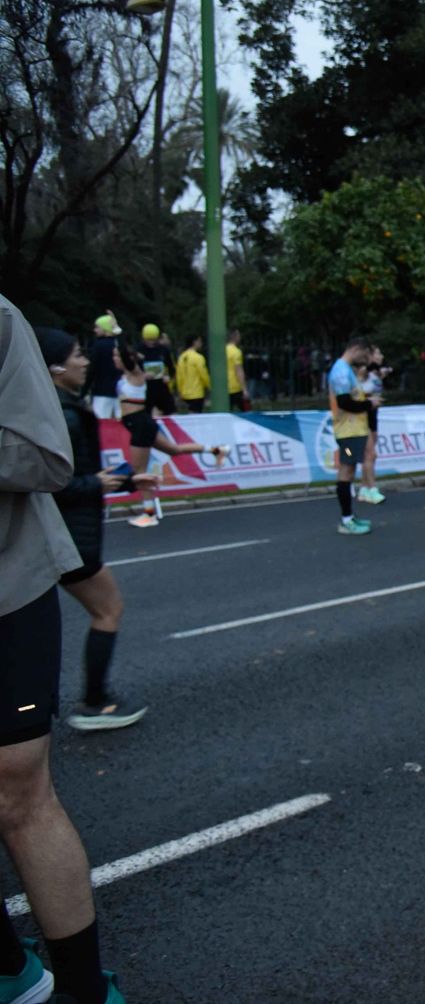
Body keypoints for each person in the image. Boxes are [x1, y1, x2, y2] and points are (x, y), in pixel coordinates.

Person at [1, 304, 129, 1004]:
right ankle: (10, 966)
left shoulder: (1, 324)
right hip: (76, 545)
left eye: (87, 351)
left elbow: (48, 462)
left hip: (15, 582)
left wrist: (102, 487)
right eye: (78, 352)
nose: (85, 359)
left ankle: (83, 989)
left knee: (17, 790)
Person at [36, 328, 155, 734]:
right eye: (77, 355)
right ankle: (94, 702)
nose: (86, 362)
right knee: (108, 609)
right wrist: (97, 484)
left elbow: (78, 474)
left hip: (66, 534)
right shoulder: (64, 415)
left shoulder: (57, 407)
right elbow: (50, 482)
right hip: (70, 537)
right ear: (55, 367)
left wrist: (127, 481)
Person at [116, 342, 223, 528]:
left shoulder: (136, 374)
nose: (114, 359)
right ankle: (216, 450)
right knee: (174, 450)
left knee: (140, 473)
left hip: (140, 425)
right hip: (140, 424)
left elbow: (126, 355)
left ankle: (149, 514)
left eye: (116, 356)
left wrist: (116, 335)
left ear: (127, 358)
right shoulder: (125, 376)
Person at [328, 336, 374, 535]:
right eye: (364, 355)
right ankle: (346, 520)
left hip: (353, 430)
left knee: (349, 470)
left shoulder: (346, 370)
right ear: (356, 349)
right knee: (346, 471)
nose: (364, 361)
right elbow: (345, 402)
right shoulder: (341, 371)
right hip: (347, 432)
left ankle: (349, 516)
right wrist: (369, 404)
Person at [357, 345, 388, 506]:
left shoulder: (376, 373)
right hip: (362, 416)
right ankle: (373, 489)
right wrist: (369, 399)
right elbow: (355, 393)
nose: (381, 356)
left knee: (369, 456)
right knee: (370, 454)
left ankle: (364, 488)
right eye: (378, 353)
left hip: (373, 415)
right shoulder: (360, 372)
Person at [134, 324, 177, 417]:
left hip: (161, 385)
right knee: (145, 413)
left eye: (153, 340)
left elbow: (172, 369)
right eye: (148, 340)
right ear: (143, 338)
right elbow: (131, 370)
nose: (151, 342)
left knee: (171, 411)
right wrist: (142, 375)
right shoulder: (138, 350)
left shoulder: (163, 350)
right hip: (145, 388)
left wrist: (168, 376)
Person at [87, 314, 122, 421]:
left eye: (97, 327)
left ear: (105, 328)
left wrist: (85, 390)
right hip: (121, 392)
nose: (95, 330)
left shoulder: (98, 345)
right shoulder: (119, 344)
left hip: (101, 391)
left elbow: (92, 369)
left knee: (100, 422)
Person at [175, 334, 209, 413]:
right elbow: (203, 374)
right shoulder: (198, 357)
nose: (201, 343)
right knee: (196, 414)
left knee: (190, 414)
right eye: (199, 341)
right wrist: (209, 385)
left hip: (185, 393)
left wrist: (180, 390)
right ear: (194, 342)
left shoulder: (181, 357)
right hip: (197, 393)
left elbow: (179, 376)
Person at [225, 328, 249, 411]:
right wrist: (244, 389)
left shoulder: (223, 350)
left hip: (225, 386)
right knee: (246, 410)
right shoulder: (236, 352)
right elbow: (239, 371)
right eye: (239, 335)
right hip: (235, 386)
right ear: (235, 337)